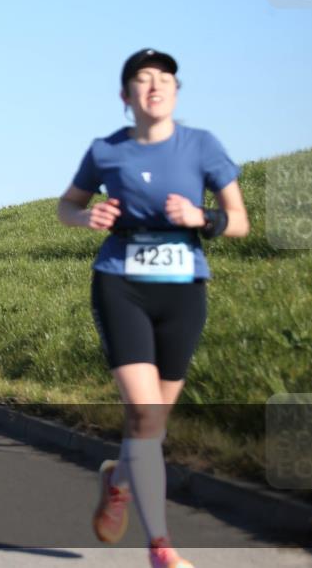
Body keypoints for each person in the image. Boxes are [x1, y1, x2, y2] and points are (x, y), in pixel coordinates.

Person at [57, 49, 248, 568]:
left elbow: (240, 220)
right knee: (142, 412)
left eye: (164, 79)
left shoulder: (202, 146)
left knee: (152, 424)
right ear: (126, 97)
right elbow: (66, 205)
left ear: (176, 92)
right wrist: (86, 217)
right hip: (121, 284)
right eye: (142, 80)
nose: (154, 86)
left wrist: (201, 217)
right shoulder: (106, 151)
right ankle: (161, 546)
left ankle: (117, 481)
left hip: (183, 289)